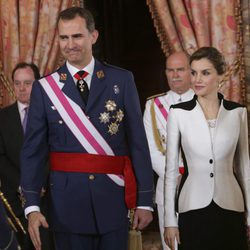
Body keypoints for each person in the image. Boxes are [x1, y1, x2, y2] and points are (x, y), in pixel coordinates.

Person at [20, 7, 153, 250]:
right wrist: (31, 206)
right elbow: (33, 152)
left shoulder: (121, 80)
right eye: (63, 37)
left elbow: (137, 143)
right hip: (66, 205)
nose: (70, 44)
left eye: (77, 36)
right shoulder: (44, 88)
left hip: (112, 200)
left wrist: (144, 200)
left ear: (93, 36)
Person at [164, 46, 250, 250]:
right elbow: (171, 172)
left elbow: (245, 168)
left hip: (231, 206)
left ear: (221, 75)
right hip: (192, 207)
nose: (196, 79)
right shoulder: (178, 113)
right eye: (193, 72)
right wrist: (170, 220)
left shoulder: (238, 113)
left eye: (205, 73)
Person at [0, 62, 53, 250]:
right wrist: (24, 185)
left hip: (49, 197)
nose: (22, 88)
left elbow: (54, 153)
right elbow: (1, 159)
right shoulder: (2, 118)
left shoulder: (52, 116)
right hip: (14, 200)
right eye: (17, 83)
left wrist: (38, 183)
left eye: (27, 83)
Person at [143, 51, 193, 249]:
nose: (175, 75)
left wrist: (190, 175)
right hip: (168, 188)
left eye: (180, 70)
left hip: (202, 186)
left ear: (191, 71)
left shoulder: (206, 101)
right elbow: (151, 149)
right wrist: (175, 175)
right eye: (170, 70)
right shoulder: (154, 106)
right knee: (171, 246)